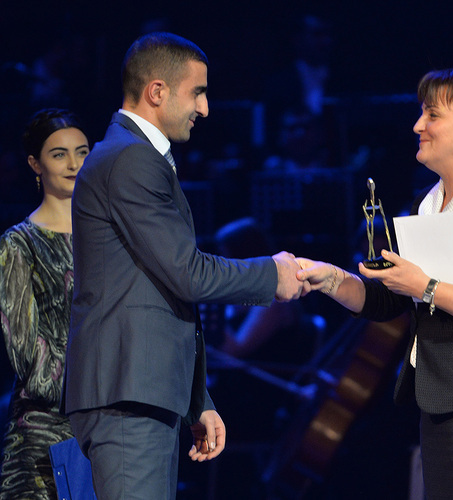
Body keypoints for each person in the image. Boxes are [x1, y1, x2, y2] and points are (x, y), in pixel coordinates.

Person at [61, 32, 304, 500]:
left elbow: (156, 290)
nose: (205, 108)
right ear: (157, 91)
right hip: (127, 393)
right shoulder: (130, 159)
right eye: (198, 92)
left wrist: (197, 400)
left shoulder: (133, 156)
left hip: (141, 391)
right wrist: (272, 274)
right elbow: (187, 274)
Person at [296, 68, 453, 498]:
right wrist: (332, 280)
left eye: (432, 115)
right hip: (446, 400)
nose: (418, 125)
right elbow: (389, 301)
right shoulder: (430, 204)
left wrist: (426, 286)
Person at [0, 108, 90, 499]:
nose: (73, 164)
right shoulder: (18, 245)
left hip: (109, 426)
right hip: (44, 434)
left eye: (82, 152)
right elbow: (26, 355)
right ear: (35, 164)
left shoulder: (110, 236)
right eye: (59, 154)